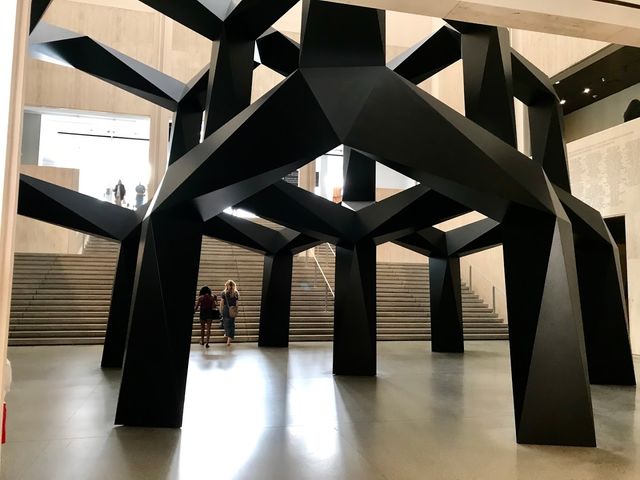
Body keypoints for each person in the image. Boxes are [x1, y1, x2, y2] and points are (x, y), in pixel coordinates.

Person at [220, 280, 239, 347]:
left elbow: (222, 303)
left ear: (226, 285)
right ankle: (228, 340)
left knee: (226, 323)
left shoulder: (224, 293)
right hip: (233, 309)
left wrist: (221, 310)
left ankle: (226, 334)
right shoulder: (236, 293)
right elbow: (237, 304)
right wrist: (236, 310)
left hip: (225, 309)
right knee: (231, 324)